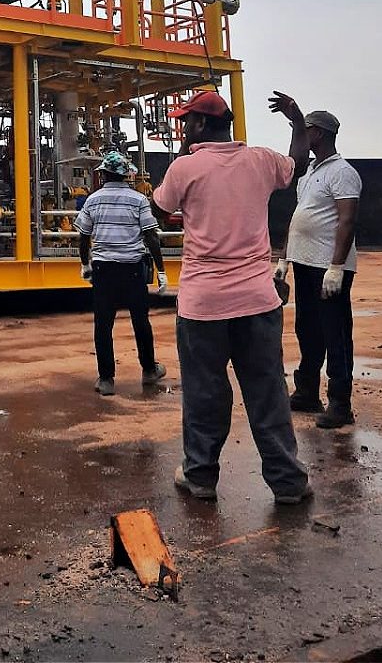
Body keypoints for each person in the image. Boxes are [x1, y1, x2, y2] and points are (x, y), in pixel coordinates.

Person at [152, 89, 312, 504]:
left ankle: (201, 476)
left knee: (205, 392)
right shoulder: (260, 160)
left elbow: (159, 210)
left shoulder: (184, 168)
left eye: (187, 121)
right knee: (267, 391)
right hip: (257, 301)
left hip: (203, 303)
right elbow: (296, 162)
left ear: (202, 125)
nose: (183, 128)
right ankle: (288, 483)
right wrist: (296, 121)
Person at [273, 106, 362, 429]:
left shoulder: (343, 172)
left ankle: (340, 402)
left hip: (329, 267)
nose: (301, 134)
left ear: (319, 133)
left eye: (305, 129)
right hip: (305, 263)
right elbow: (299, 218)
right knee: (307, 330)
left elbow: (347, 220)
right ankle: (308, 391)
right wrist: (284, 259)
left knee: (335, 332)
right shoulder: (309, 173)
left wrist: (337, 267)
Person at [76, 151, 167, 396]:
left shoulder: (93, 200)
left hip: (104, 269)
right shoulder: (138, 200)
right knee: (140, 321)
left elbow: (83, 236)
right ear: (127, 175)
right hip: (133, 269)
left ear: (104, 174)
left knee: (103, 325)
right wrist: (162, 271)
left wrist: (85, 264)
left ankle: (106, 379)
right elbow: (151, 236)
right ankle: (149, 370)